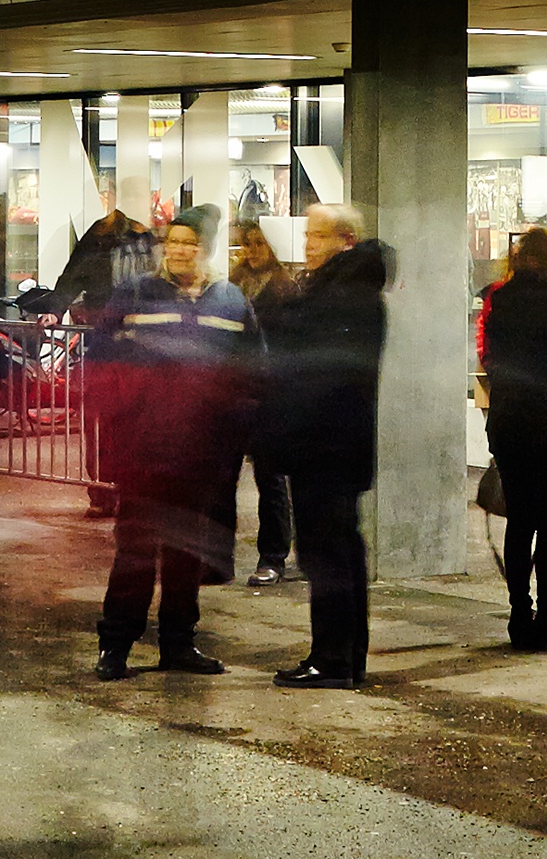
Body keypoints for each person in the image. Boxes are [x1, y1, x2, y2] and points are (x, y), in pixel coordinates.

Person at [89, 217, 252, 678]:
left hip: (203, 453)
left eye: (190, 243)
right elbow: (100, 361)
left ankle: (178, 645)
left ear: (206, 249)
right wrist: (117, 427)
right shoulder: (135, 295)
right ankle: (116, 646)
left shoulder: (232, 300)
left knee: (187, 553)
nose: (179, 250)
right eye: (173, 241)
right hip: (145, 449)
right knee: (136, 550)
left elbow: (251, 370)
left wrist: (235, 431)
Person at [255, 202, 393, 687]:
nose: (308, 245)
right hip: (332, 442)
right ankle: (342, 656)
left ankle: (333, 660)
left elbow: (314, 366)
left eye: (318, 237)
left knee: (328, 552)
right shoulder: (340, 290)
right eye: (307, 236)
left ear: (345, 241)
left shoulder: (344, 296)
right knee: (337, 550)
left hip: (326, 444)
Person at [479, 224, 547, 649]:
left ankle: (519, 615)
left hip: (510, 423)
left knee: (520, 522)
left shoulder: (498, 299)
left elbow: (490, 357)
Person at [227, 217, 299, 583]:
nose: (251, 251)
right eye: (247, 243)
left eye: (259, 243)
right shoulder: (233, 285)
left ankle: (273, 556)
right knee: (224, 475)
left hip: (270, 393)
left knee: (270, 479)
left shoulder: (286, 289)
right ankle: (219, 555)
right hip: (235, 391)